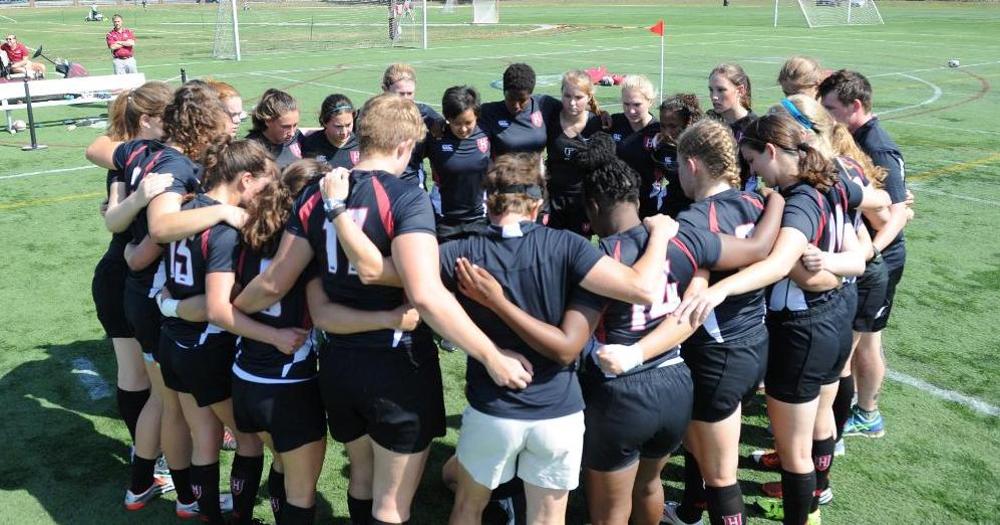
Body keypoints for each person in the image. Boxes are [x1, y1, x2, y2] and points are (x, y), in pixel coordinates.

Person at [233, 93, 535, 525]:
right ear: (404, 146)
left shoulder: (317, 195)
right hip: (396, 364)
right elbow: (427, 294)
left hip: (337, 362)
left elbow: (276, 281)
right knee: (391, 504)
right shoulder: (406, 198)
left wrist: (229, 310)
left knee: (362, 475)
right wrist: (491, 355)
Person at [453, 136, 782, 525]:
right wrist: (777, 197)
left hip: (620, 392)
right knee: (648, 486)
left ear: (592, 208)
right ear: (638, 200)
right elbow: (759, 249)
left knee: (609, 512)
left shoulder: (598, 261)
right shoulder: (684, 236)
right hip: (676, 382)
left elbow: (567, 338)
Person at [674, 113, 868, 525]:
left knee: (793, 448)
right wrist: (832, 267)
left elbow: (779, 263)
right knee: (817, 425)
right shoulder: (832, 180)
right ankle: (816, 500)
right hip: (838, 313)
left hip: (802, 326)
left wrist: (720, 287)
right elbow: (860, 254)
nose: (754, 171)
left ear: (774, 151)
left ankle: (805, 513)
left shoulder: (797, 198)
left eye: (755, 161)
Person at [85, 81, 241, 518]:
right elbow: (161, 227)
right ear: (202, 122)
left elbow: (101, 151)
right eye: (221, 119)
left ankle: (152, 488)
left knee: (165, 400)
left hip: (139, 287)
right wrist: (224, 211)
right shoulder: (175, 165)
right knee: (187, 407)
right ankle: (194, 498)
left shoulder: (137, 151)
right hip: (154, 292)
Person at [661, 118, 783, 525]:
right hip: (754, 345)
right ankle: (690, 512)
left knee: (721, 476)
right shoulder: (758, 203)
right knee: (703, 449)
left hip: (718, 356)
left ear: (692, 165)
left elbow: (688, 299)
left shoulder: (695, 221)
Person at [157, 138, 276, 524]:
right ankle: (239, 518)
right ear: (244, 180)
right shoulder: (224, 228)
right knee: (249, 441)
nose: (265, 195)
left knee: (204, 438)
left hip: (173, 342)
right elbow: (217, 307)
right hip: (204, 347)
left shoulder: (187, 208)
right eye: (262, 185)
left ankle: (207, 515)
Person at [91, 80, 175, 513]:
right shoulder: (130, 161)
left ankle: (152, 459)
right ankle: (151, 462)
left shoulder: (143, 156)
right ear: (147, 120)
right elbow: (115, 217)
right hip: (124, 276)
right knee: (142, 381)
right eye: (169, 116)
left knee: (146, 380)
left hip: (130, 275)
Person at [819, 70, 910, 439]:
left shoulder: (878, 146)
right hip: (864, 255)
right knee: (864, 340)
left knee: (860, 342)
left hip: (877, 260)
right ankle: (858, 411)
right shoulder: (855, 136)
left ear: (855, 106)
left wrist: (870, 250)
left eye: (831, 108)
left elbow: (898, 211)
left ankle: (864, 415)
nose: (827, 116)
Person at [424, 85, 492, 242]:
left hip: (479, 218)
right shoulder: (436, 136)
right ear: (447, 118)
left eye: (468, 122)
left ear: (477, 116)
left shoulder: (487, 132)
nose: (462, 129)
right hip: (444, 218)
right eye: (456, 123)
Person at [543, 69, 604, 235]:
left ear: (589, 97)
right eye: (567, 96)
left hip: (583, 203)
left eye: (578, 97)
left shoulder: (597, 124)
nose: (572, 103)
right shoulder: (549, 119)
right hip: (552, 200)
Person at [636, 93, 703, 218]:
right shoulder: (659, 144)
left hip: (696, 207)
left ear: (687, 123)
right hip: (670, 205)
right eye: (663, 125)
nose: (666, 132)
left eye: (673, 126)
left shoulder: (701, 147)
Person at [380, 63, 443, 188]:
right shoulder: (371, 115)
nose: (406, 99)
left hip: (413, 185)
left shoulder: (426, 116)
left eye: (410, 93)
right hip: (380, 183)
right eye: (400, 93)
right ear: (385, 89)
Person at [478, 63, 561, 157]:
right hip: (503, 171)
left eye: (522, 100)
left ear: (530, 94)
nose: (516, 105)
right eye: (511, 99)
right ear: (504, 92)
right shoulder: (488, 112)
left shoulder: (545, 104)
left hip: (536, 170)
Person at [707, 64, 755, 190]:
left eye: (721, 90)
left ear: (740, 90)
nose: (714, 96)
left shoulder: (754, 127)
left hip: (741, 200)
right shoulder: (710, 120)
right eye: (711, 90)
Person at [247, 88, 305, 169]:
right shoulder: (251, 149)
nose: (292, 133)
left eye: (295, 125)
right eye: (285, 127)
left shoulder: (297, 136)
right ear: (267, 121)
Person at [301, 93, 360, 169]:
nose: (344, 132)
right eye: (338, 126)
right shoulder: (311, 144)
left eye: (348, 125)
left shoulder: (361, 144)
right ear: (325, 122)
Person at [608, 74, 657, 145]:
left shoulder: (657, 131)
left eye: (637, 105)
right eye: (626, 104)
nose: (631, 111)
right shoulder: (612, 123)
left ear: (650, 102)